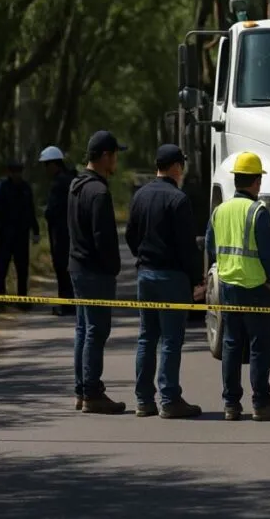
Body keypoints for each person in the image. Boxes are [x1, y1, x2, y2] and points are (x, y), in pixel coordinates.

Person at [205, 151, 270, 421]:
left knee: (231, 344)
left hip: (228, 286)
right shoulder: (257, 211)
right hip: (255, 287)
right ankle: (261, 403)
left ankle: (231, 404)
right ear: (256, 182)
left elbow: (210, 246)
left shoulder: (219, 211)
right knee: (259, 346)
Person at [125, 144, 203, 419]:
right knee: (170, 339)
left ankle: (144, 399)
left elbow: (131, 235)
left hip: (146, 274)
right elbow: (187, 245)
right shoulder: (178, 199)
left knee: (147, 337)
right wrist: (196, 279)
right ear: (176, 167)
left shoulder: (140, 195)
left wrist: (142, 255)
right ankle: (169, 399)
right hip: (172, 277)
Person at [68, 131, 127, 415]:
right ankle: (92, 392)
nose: (116, 161)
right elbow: (103, 237)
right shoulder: (99, 192)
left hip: (77, 267)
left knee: (83, 329)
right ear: (105, 156)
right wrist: (113, 267)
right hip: (95, 272)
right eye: (114, 155)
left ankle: (82, 390)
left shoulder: (76, 185)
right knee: (96, 331)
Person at [0, 160, 41, 311]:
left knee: (22, 269)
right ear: (9, 172)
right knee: (2, 269)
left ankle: (22, 301)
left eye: (19, 172)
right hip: (5, 234)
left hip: (22, 235)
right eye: (14, 172)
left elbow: (31, 210)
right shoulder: (2, 188)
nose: (17, 174)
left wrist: (36, 231)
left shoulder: (25, 188)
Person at [39, 146, 77, 316]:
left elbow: (52, 211)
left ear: (54, 164)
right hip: (71, 232)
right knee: (69, 268)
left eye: (46, 165)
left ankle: (66, 304)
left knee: (62, 268)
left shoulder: (59, 183)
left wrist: (46, 211)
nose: (45, 169)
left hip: (61, 234)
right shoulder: (71, 179)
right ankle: (70, 303)